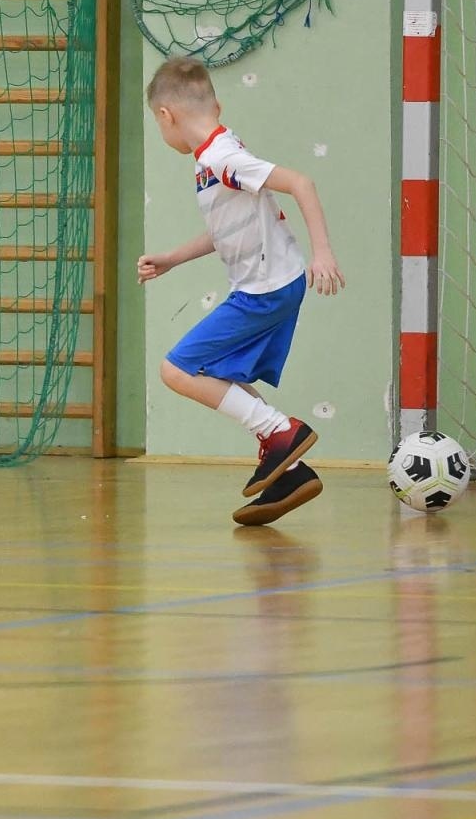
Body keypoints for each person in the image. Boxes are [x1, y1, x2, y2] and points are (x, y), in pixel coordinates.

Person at [137, 56, 344, 525]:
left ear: (166, 116)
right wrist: (171, 258)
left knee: (176, 369)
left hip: (266, 291)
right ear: (217, 103)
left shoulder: (221, 158)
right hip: (271, 286)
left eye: (157, 123)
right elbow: (228, 230)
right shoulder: (216, 158)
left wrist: (323, 253)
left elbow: (300, 182)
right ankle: (289, 470)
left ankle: (279, 431)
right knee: (214, 371)